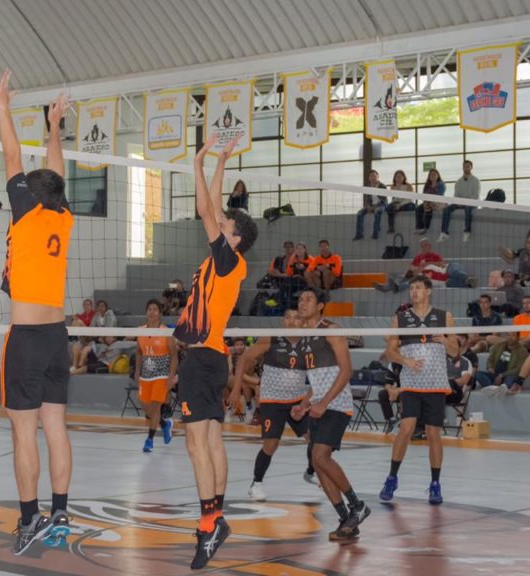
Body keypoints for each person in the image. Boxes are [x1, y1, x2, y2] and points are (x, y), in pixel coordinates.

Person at [0, 70, 74, 555]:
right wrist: (54, 127)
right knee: (55, 427)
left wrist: (3, 107)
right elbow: (54, 171)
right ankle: (60, 511)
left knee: (23, 432)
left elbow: (11, 157)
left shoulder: (25, 214)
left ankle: (30, 520)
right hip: (58, 338)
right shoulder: (64, 218)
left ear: (31, 194)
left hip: (25, 338)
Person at [172, 132, 257, 570]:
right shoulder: (223, 262)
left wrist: (199, 162)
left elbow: (207, 209)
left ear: (235, 239)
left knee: (196, 445)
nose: (218, 224)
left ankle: (209, 525)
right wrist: (221, 161)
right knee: (211, 441)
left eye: (226, 227)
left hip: (203, 358)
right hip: (210, 357)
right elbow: (215, 209)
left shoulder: (228, 261)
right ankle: (216, 519)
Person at [295, 289, 370, 540]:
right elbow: (317, 379)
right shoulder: (304, 337)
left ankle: (357, 506)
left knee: (320, 455)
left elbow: (346, 370)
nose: (302, 303)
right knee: (318, 464)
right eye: (300, 299)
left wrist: (325, 402)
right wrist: (304, 403)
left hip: (337, 405)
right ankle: (346, 519)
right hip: (318, 405)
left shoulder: (331, 329)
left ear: (320, 306)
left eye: (308, 299)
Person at [379, 275, 457, 505]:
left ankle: (435, 484)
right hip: (411, 382)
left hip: (435, 383)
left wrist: (445, 340)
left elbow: (455, 351)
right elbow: (390, 352)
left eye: (419, 288)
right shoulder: (400, 318)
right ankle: (391, 478)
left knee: (433, 433)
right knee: (406, 428)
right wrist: (406, 361)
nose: (414, 292)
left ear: (428, 291)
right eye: (412, 288)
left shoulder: (444, 316)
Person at [231, 309, 309, 502]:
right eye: (288, 317)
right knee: (271, 444)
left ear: (303, 322)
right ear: (283, 321)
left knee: (316, 440)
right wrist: (236, 388)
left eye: (296, 318)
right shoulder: (271, 339)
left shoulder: (308, 342)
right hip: (272, 401)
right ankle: (256, 483)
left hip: (297, 401)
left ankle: (311, 472)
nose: (292, 321)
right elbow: (243, 359)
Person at [373, 237, 445, 292]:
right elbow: (411, 267)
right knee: (407, 274)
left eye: (425, 245)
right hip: (417, 274)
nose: (423, 248)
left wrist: (428, 263)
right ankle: (390, 286)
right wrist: (418, 268)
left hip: (428, 277)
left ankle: (391, 287)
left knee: (413, 280)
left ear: (430, 246)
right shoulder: (419, 257)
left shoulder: (435, 256)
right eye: (422, 246)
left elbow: (442, 264)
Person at [439, 160, 480, 243]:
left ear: (471, 167)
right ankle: (444, 232)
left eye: (468, 166)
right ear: (462, 168)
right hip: (460, 203)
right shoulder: (458, 182)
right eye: (464, 166)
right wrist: (459, 202)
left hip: (471, 203)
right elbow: (456, 196)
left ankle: (467, 232)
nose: (466, 168)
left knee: (468, 209)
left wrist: (465, 202)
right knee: (446, 209)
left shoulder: (476, 181)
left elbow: (475, 196)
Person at [354, 169, 386, 240]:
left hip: (381, 205)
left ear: (377, 176)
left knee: (377, 211)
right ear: (369, 178)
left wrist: (374, 207)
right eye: (371, 176)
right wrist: (368, 206)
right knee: (359, 213)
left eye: (374, 176)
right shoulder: (368, 187)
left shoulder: (382, 186)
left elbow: (383, 200)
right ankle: (359, 234)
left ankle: (375, 233)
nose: (373, 177)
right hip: (371, 206)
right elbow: (368, 200)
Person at [414, 168, 445, 235]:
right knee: (418, 208)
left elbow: (439, 194)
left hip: (438, 202)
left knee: (428, 207)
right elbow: (424, 195)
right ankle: (419, 227)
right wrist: (425, 202)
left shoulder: (441, 184)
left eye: (434, 174)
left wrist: (429, 201)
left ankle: (426, 227)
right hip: (427, 202)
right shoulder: (427, 185)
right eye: (431, 175)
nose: (432, 176)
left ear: (438, 175)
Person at [385, 169, 415, 235]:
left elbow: (409, 199)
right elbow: (394, 199)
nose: (399, 178)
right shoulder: (393, 186)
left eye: (401, 176)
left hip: (408, 203)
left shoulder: (408, 186)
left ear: (404, 177)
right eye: (397, 176)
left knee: (410, 206)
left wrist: (400, 205)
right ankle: (391, 227)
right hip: (397, 203)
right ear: (394, 178)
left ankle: (397, 209)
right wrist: (395, 204)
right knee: (388, 208)